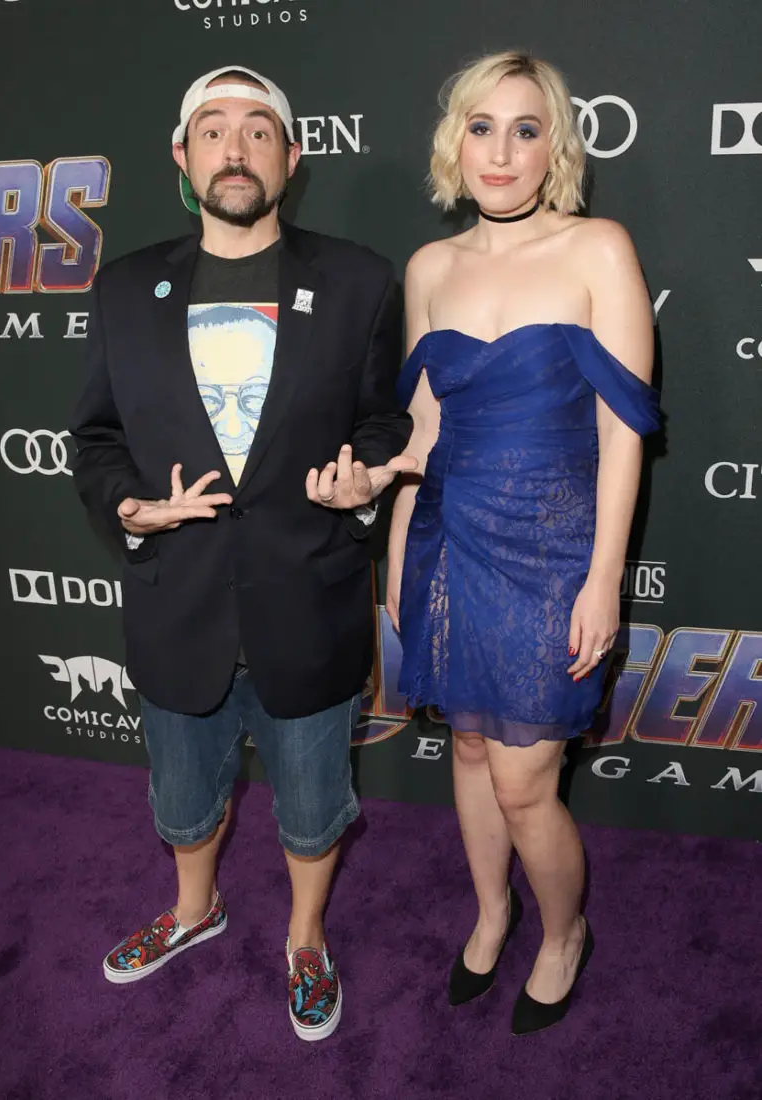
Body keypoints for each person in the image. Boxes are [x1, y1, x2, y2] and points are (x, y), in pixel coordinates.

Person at [70, 65, 414, 1042]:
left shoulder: (357, 280)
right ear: (181, 157)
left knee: (312, 808)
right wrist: (130, 506)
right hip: (176, 603)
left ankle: (305, 936)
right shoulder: (124, 286)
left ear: (291, 157)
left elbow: (381, 419)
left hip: (308, 601)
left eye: (258, 130)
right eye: (213, 129)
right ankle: (194, 908)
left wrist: (363, 480)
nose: (235, 147)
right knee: (183, 802)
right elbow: (95, 436)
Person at [387, 51, 659, 1035]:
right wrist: (395, 555)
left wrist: (602, 580)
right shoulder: (429, 268)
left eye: (525, 129)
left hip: (553, 552)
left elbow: (622, 431)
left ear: (555, 149)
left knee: (522, 777)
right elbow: (421, 429)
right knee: (466, 745)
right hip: (448, 542)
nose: (499, 151)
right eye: (480, 127)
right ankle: (491, 912)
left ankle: (562, 931)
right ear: (453, 142)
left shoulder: (597, 250)